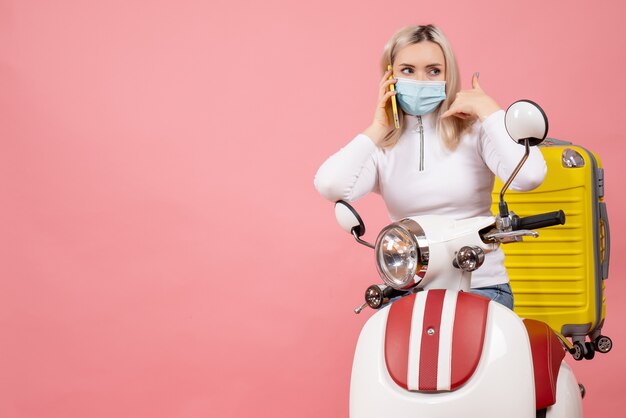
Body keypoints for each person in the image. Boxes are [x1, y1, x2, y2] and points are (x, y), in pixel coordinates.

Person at [313, 24, 547, 310]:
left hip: (481, 284)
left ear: (449, 76)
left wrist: (490, 112)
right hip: (409, 288)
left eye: (434, 71)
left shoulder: (476, 131)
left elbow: (530, 176)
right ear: (389, 76)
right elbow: (330, 185)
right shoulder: (382, 146)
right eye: (408, 70)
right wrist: (377, 128)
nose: (421, 80)